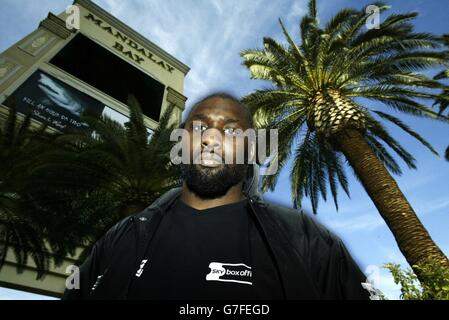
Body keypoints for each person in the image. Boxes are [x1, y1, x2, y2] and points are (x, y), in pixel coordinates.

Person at [63, 93, 370, 300]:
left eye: (232, 132)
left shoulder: (307, 239)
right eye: (199, 127)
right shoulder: (122, 236)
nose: (211, 138)